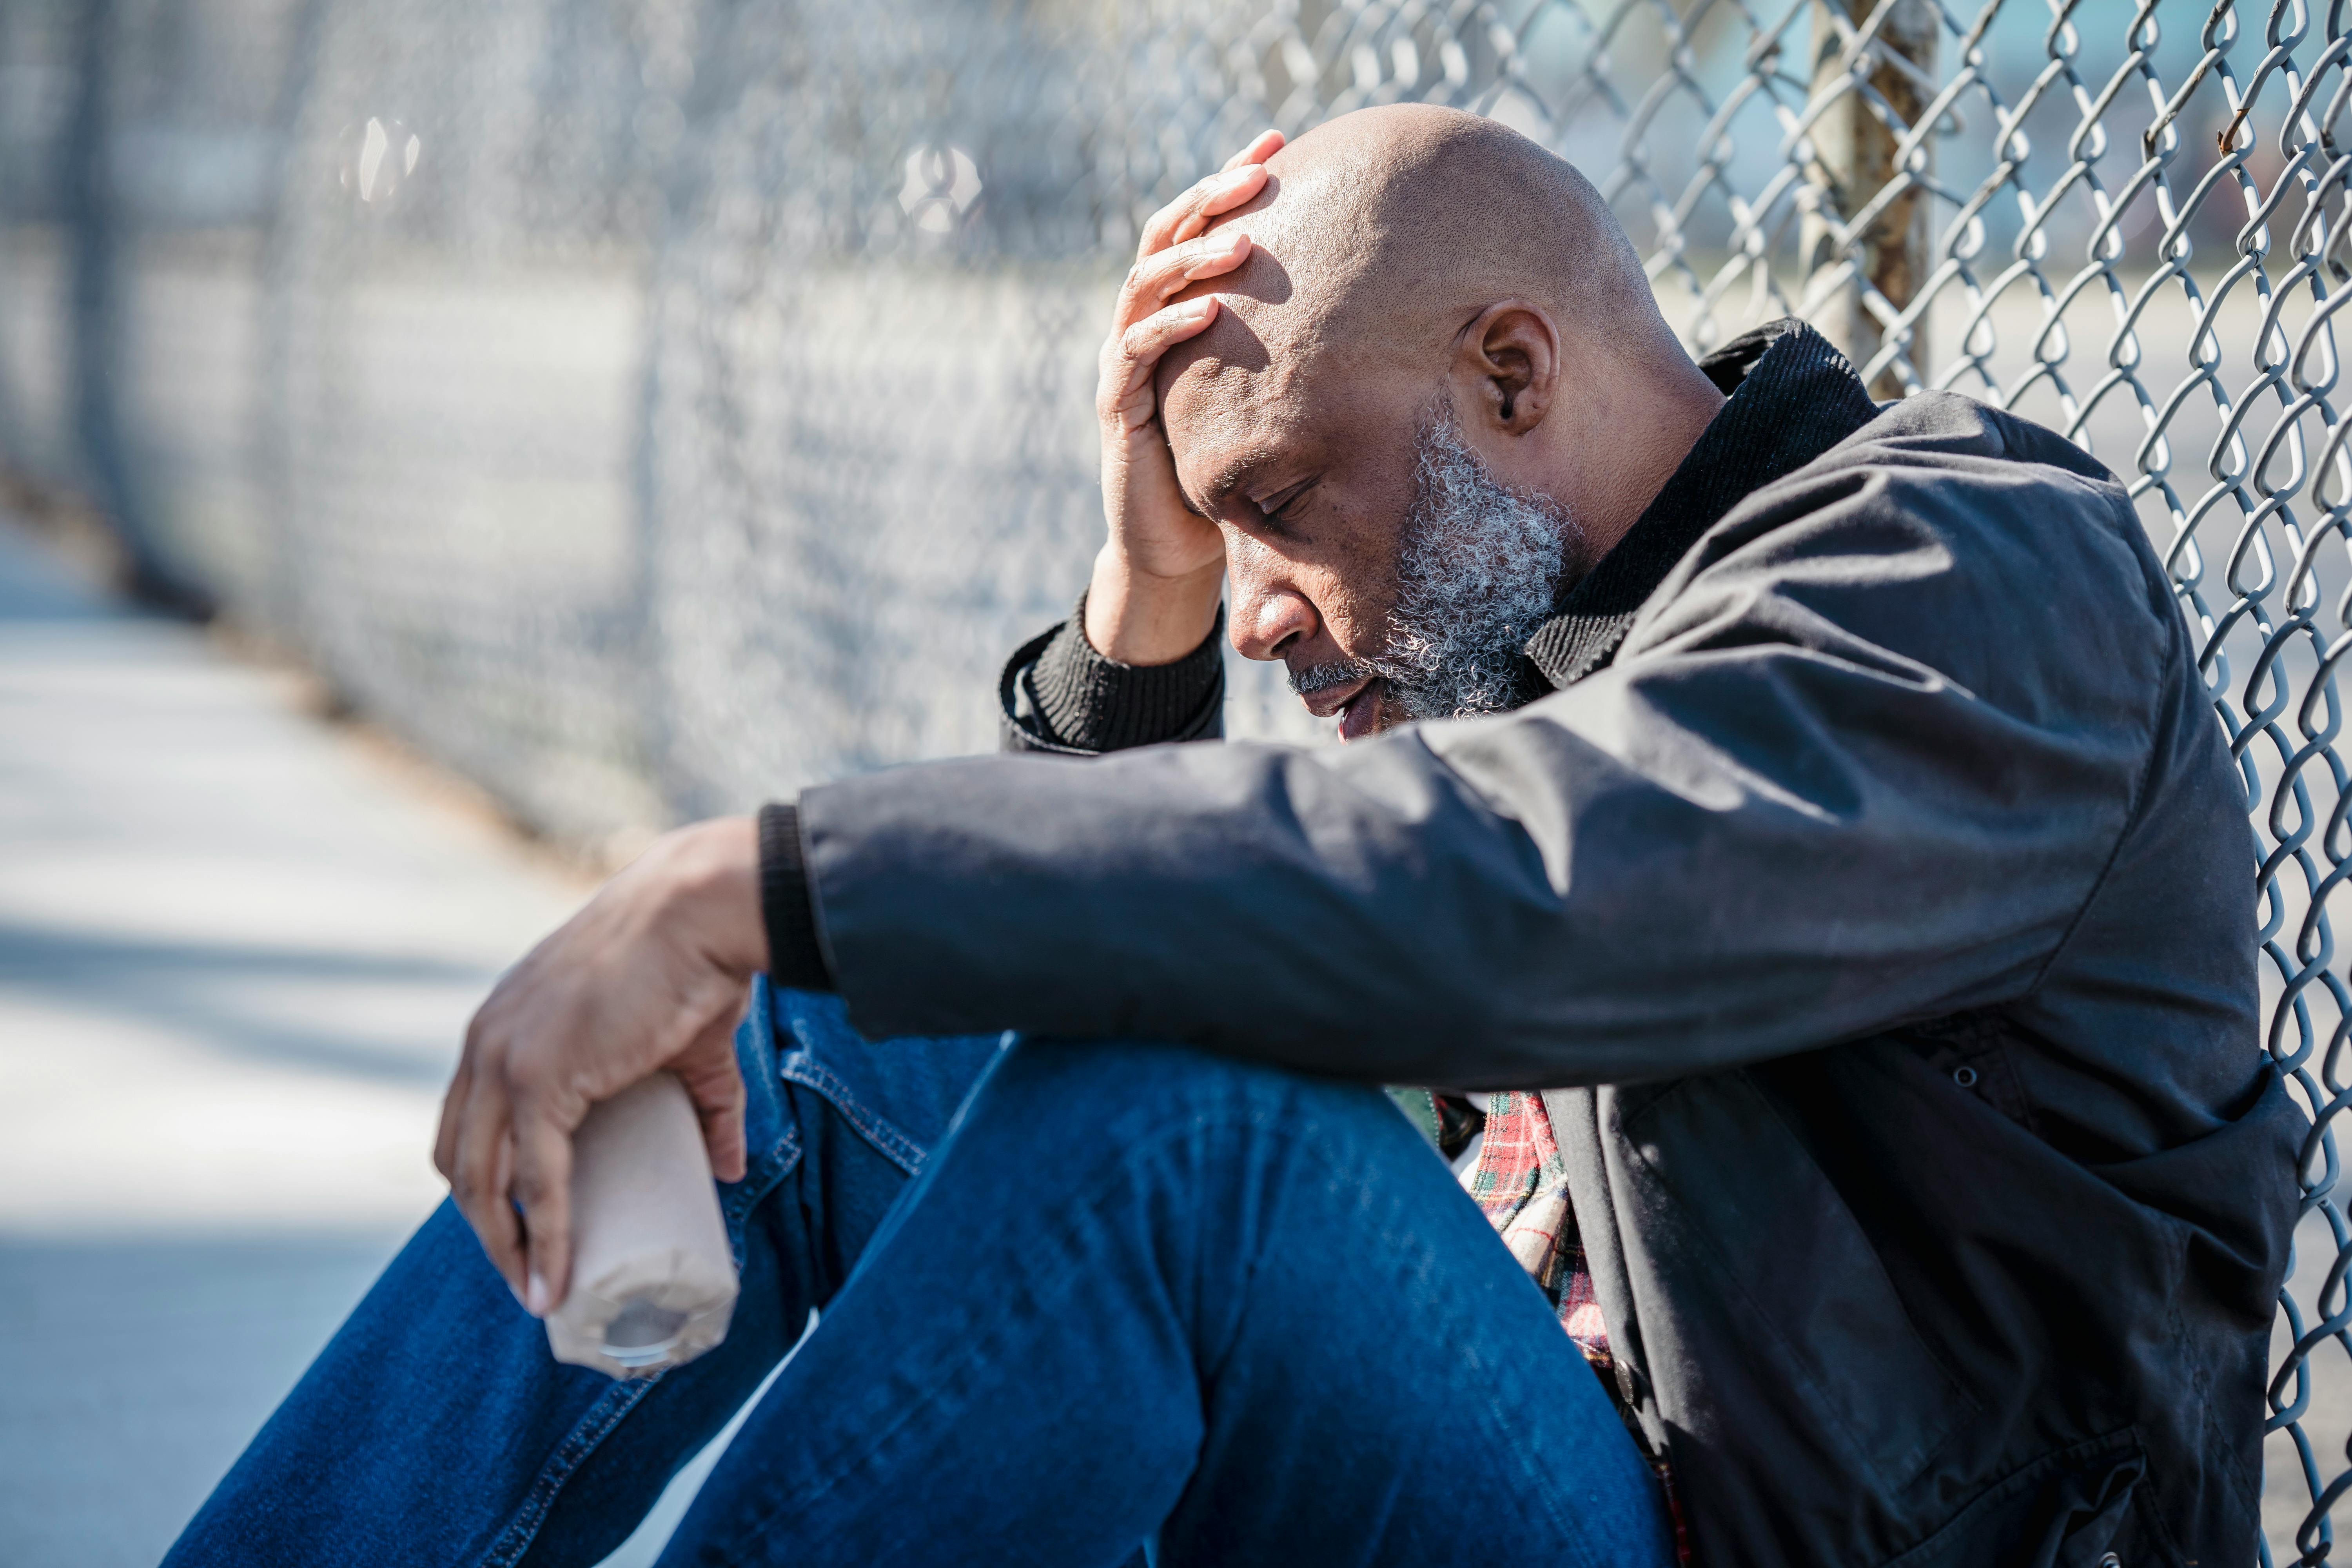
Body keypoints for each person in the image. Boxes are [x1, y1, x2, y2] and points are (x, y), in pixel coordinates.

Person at [168, 105, 2296, 1568]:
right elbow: (1107, 986)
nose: (1265, 603)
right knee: (851, 1043)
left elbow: (1512, 896)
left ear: (1513, 368)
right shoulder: (1524, 635)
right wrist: (1146, 602)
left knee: (1169, 1128)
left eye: (1282, 504)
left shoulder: (1960, 570)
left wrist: (757, 876)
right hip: (1530, 1460)